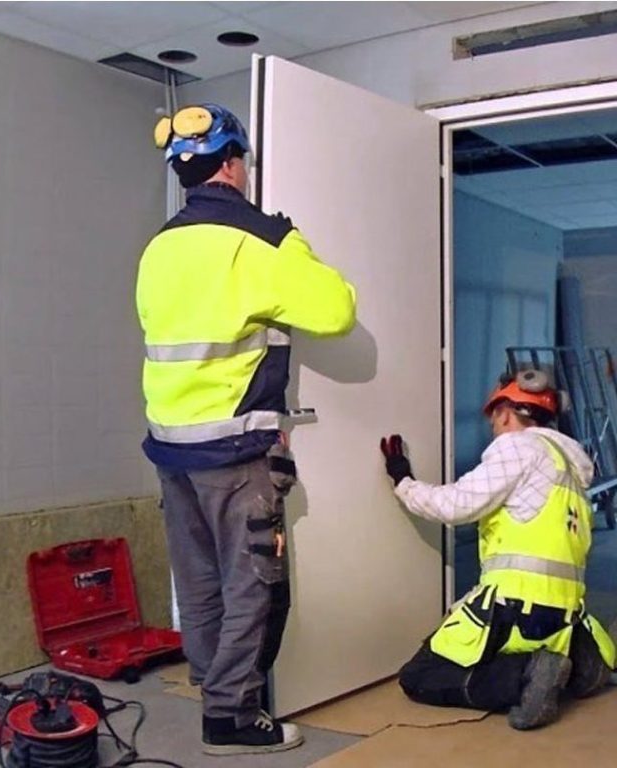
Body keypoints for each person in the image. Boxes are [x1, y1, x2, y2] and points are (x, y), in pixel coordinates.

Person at [136, 103, 356, 755]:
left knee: (199, 580)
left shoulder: (158, 248)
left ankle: (212, 683)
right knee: (251, 583)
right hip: (233, 448)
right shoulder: (259, 241)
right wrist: (291, 241)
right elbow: (337, 310)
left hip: (170, 446)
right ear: (233, 165)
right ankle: (231, 717)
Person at [380, 369, 616, 730]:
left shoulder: (517, 447)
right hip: (566, 616)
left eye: (494, 418)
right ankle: (583, 669)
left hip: (515, 608)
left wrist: (403, 480)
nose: (493, 427)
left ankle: (525, 674)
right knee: (511, 652)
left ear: (505, 412)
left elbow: (456, 505)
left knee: (420, 674)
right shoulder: (571, 467)